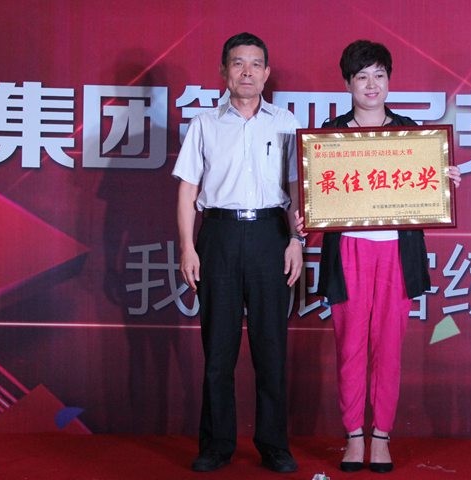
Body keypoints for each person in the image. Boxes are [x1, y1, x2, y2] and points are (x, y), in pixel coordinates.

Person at [318, 40, 461, 474]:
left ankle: (381, 436)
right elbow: (317, 195)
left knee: (389, 349)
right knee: (350, 348)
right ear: (347, 83)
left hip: (396, 253)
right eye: (361, 76)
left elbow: (425, 187)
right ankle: (353, 436)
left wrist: (443, 180)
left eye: (379, 75)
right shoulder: (330, 135)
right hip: (349, 251)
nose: (371, 85)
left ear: (389, 81)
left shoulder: (411, 133)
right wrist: (307, 211)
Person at [173, 32, 304, 474]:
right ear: (223, 71)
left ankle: (274, 446)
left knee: (271, 349)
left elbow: (296, 186)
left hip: (271, 234)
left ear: (267, 73)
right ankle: (216, 445)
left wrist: (296, 241)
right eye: (238, 63)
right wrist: (188, 247)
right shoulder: (205, 124)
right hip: (219, 236)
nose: (247, 72)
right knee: (219, 350)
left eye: (255, 64)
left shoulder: (285, 122)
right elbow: (188, 189)